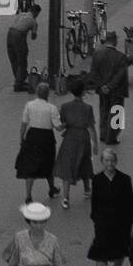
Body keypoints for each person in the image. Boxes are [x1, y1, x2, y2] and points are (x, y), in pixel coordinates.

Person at [88, 146, 133, 266]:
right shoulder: (96, 180)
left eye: (112, 160)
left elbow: (130, 202)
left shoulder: (124, 179)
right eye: (106, 160)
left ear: (116, 161)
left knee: (120, 251)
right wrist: (95, 218)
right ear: (102, 162)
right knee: (100, 253)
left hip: (121, 221)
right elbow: (94, 202)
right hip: (103, 222)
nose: (109, 163)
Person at [53, 77, 96, 210]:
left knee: (68, 166)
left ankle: (66, 198)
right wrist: (95, 143)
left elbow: (61, 124)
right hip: (83, 137)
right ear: (83, 92)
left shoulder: (65, 107)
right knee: (85, 162)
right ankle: (87, 189)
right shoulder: (88, 108)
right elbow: (91, 128)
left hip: (70, 137)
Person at [16, 82, 62, 203]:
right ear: (48, 94)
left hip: (32, 137)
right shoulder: (52, 108)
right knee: (48, 164)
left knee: (30, 167)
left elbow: (24, 123)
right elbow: (58, 127)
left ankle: (28, 195)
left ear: (37, 92)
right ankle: (51, 188)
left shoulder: (29, 105)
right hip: (47, 138)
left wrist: (21, 138)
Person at [87, 30, 131, 145]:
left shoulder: (97, 54)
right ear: (115, 41)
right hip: (116, 91)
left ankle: (103, 134)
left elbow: (93, 73)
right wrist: (110, 86)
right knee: (117, 112)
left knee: (104, 110)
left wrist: (102, 86)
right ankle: (112, 137)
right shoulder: (121, 57)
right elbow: (120, 76)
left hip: (102, 90)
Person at [6, 0, 38, 92]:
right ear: (36, 13)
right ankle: (18, 85)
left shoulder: (21, 14)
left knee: (14, 60)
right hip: (19, 36)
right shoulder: (33, 21)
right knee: (22, 61)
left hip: (9, 34)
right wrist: (33, 29)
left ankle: (18, 80)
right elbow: (33, 37)